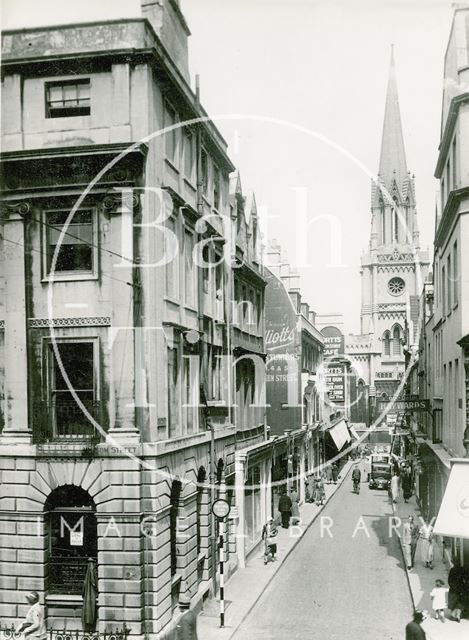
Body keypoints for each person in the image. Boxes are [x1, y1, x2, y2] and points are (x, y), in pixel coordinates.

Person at [448, 555, 466, 622]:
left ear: (453, 563)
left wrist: (452, 586)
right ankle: (458, 615)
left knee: (454, 602)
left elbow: (449, 580)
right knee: (460, 602)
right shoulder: (462, 569)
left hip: (454, 588)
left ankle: (453, 615)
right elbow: (466, 578)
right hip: (461, 588)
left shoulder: (452, 570)